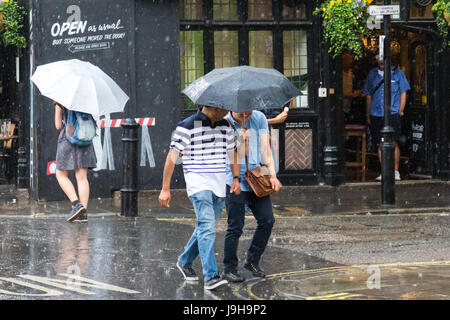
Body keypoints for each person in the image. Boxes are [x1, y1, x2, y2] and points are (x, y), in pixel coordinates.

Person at [158, 105, 241, 291]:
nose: (227, 110)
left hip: (219, 186)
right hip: (198, 183)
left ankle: (185, 260)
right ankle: (211, 276)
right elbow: (172, 157)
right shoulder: (187, 126)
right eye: (223, 106)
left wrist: (236, 178)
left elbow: (233, 152)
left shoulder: (225, 126)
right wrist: (165, 188)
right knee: (208, 228)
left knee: (205, 227)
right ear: (211, 105)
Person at [221, 110, 282, 283]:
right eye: (242, 110)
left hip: (256, 177)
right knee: (235, 226)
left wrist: (273, 175)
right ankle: (229, 268)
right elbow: (235, 156)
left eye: (249, 108)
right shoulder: (225, 123)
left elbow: (265, 149)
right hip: (234, 179)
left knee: (267, 220)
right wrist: (242, 140)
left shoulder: (259, 118)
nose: (247, 112)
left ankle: (252, 261)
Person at [363, 55, 410, 181]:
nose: (381, 59)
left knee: (393, 142)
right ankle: (384, 171)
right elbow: (368, 95)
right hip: (376, 114)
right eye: (378, 56)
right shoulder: (372, 74)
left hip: (393, 114)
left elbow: (403, 93)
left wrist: (400, 111)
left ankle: (395, 171)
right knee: (380, 143)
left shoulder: (398, 73)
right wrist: (368, 114)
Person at [54, 101, 97, 222]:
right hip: (84, 137)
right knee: (82, 177)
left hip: (68, 138)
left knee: (61, 174)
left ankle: (76, 204)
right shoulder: (87, 97)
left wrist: (59, 107)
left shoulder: (61, 98)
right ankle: (83, 214)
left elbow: (58, 125)